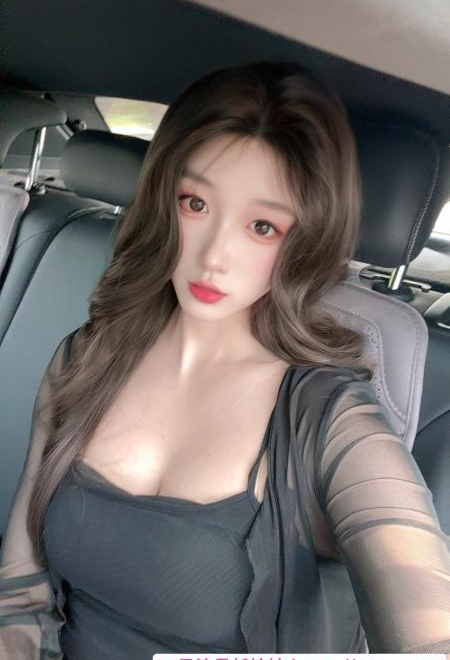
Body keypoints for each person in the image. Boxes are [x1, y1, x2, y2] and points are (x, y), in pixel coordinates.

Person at [0, 61, 449, 659]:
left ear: (305, 238)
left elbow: (430, 632)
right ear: (162, 199)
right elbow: (20, 590)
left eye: (262, 226)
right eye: (195, 203)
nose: (215, 256)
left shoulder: (330, 422)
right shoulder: (85, 358)